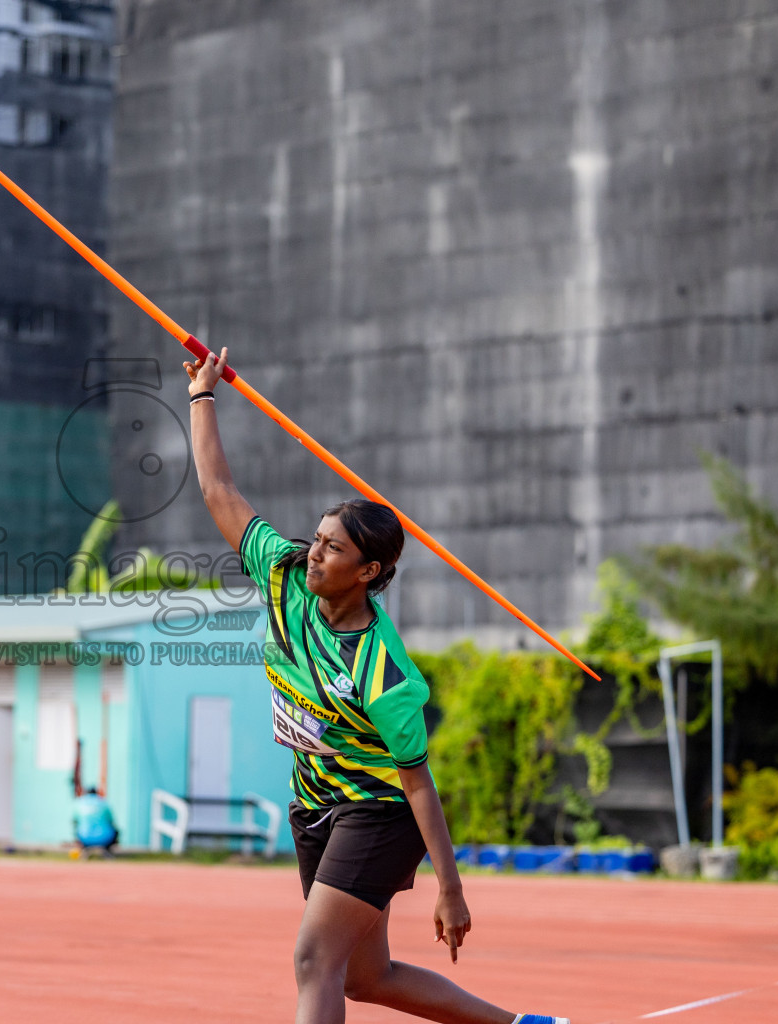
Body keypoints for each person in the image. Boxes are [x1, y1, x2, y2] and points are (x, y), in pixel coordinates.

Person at [184, 348, 567, 1024]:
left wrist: (451, 890)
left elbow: (419, 783)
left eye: (333, 548)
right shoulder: (284, 575)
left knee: (313, 960)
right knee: (365, 976)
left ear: (369, 572)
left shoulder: (385, 674)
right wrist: (202, 397)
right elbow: (220, 491)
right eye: (319, 538)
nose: (316, 552)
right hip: (316, 806)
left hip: (379, 812)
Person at [73, 786, 118, 855]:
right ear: (96, 793)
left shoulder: (80, 803)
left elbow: (74, 821)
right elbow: (111, 820)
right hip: (105, 838)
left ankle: (84, 850)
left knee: (77, 828)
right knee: (115, 830)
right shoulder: (104, 802)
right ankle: (108, 851)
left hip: (84, 837)